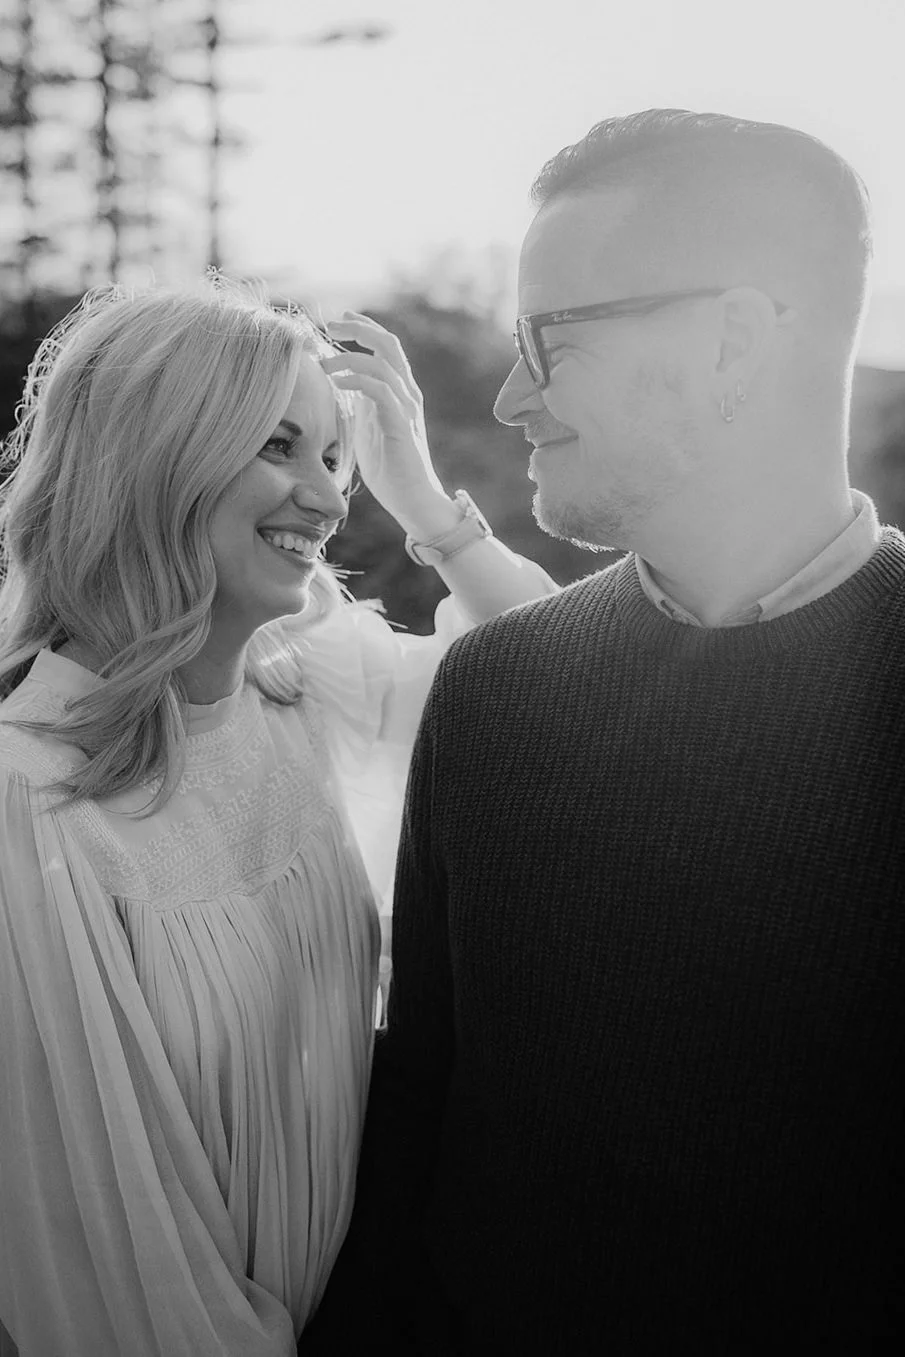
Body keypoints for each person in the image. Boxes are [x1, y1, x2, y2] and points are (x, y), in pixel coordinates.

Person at [317, 110, 905, 1352]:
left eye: (552, 341)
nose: (509, 396)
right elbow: (417, 1131)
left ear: (735, 339)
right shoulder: (489, 695)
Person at [0, 278, 556, 1357]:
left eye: (334, 456)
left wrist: (429, 505)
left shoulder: (300, 682)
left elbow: (558, 687)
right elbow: (120, 1283)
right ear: (157, 454)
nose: (329, 499)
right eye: (276, 446)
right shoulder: (30, 804)